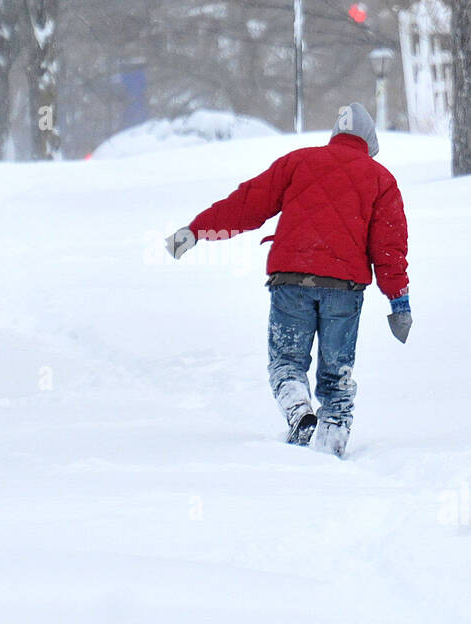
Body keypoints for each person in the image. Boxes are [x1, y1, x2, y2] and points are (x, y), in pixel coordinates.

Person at [165, 102, 410, 458]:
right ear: (368, 142)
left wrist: (196, 230)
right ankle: (330, 451)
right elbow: (389, 247)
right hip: (344, 290)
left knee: (287, 363)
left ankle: (299, 410)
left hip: (291, 280)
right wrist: (398, 302)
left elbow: (247, 204)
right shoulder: (380, 179)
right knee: (336, 378)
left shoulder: (299, 161)